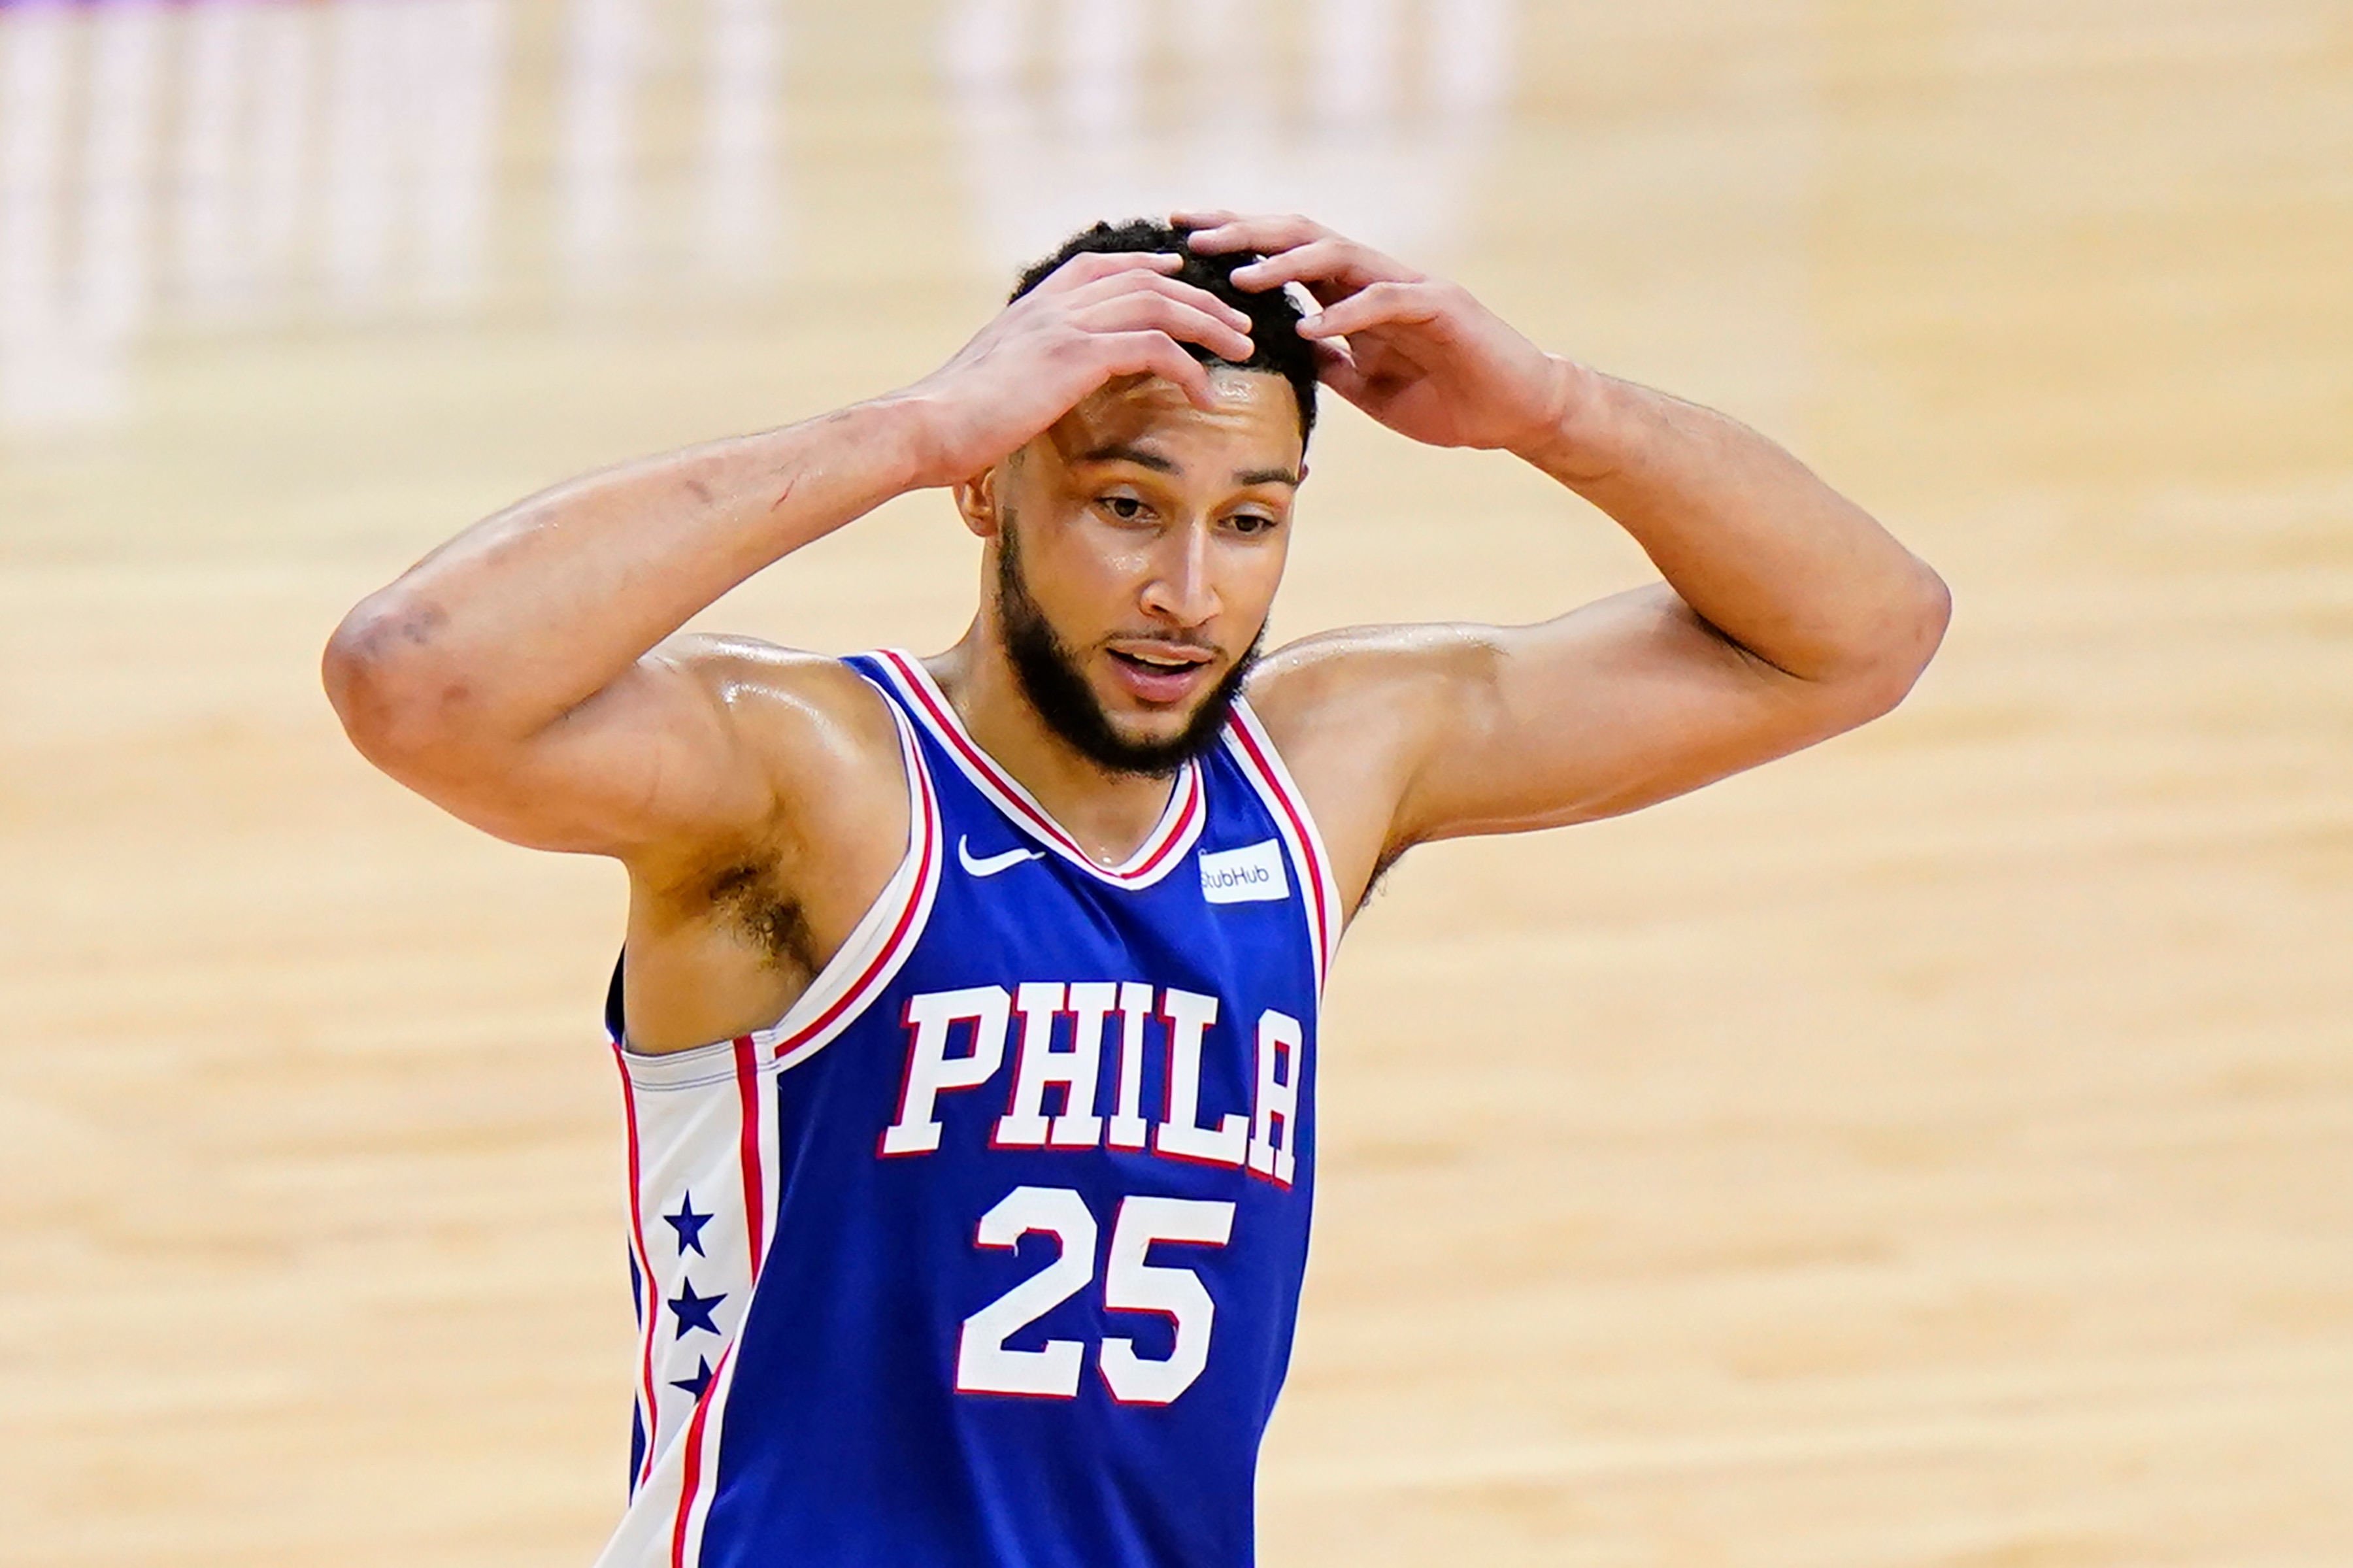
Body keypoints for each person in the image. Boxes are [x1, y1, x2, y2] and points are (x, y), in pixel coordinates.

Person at [324, 211, 1950, 1568]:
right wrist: (905, 426)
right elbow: (417, 676)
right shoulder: (809, 781)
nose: (1189, 592)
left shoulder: (1325, 768)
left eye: (1249, 522)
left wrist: (1554, 410)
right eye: (1125, 506)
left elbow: (1862, 633)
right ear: (991, 488)